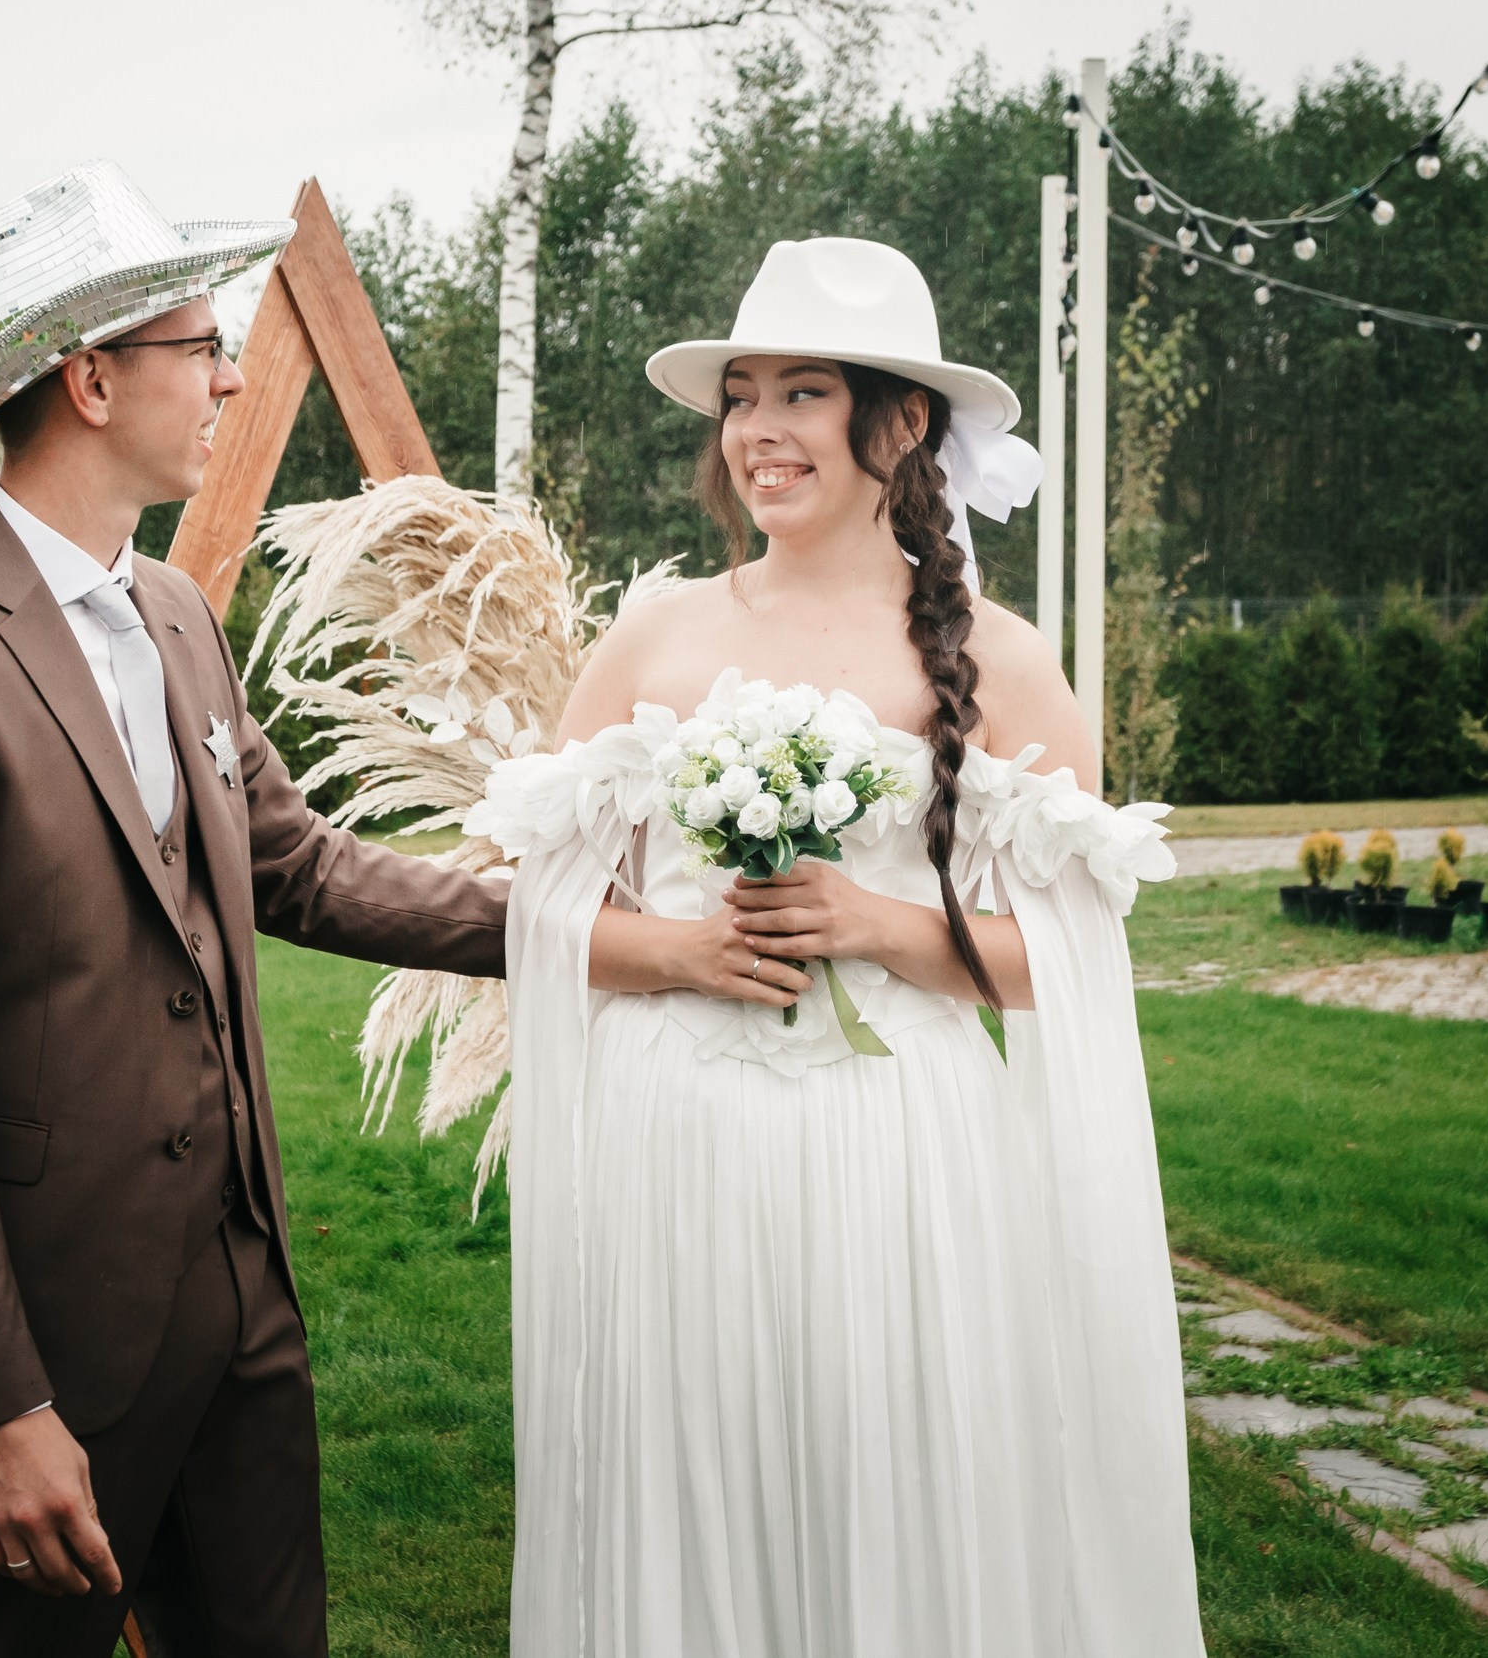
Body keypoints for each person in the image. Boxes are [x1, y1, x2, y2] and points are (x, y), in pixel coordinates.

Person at [0, 160, 508, 1658]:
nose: (235, 378)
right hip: (45, 1336)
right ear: (94, 382)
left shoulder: (176, 611)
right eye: (205, 347)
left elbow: (294, 862)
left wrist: (547, 913)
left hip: (242, 1298)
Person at [467, 236, 1205, 1654]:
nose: (758, 431)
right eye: (741, 396)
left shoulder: (998, 657)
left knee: (896, 1476)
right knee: (695, 1476)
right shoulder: (655, 637)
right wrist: (678, 954)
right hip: (675, 1145)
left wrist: (881, 926)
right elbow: (530, 904)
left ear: (901, 422)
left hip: (903, 1148)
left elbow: (1068, 958)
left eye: (803, 394)